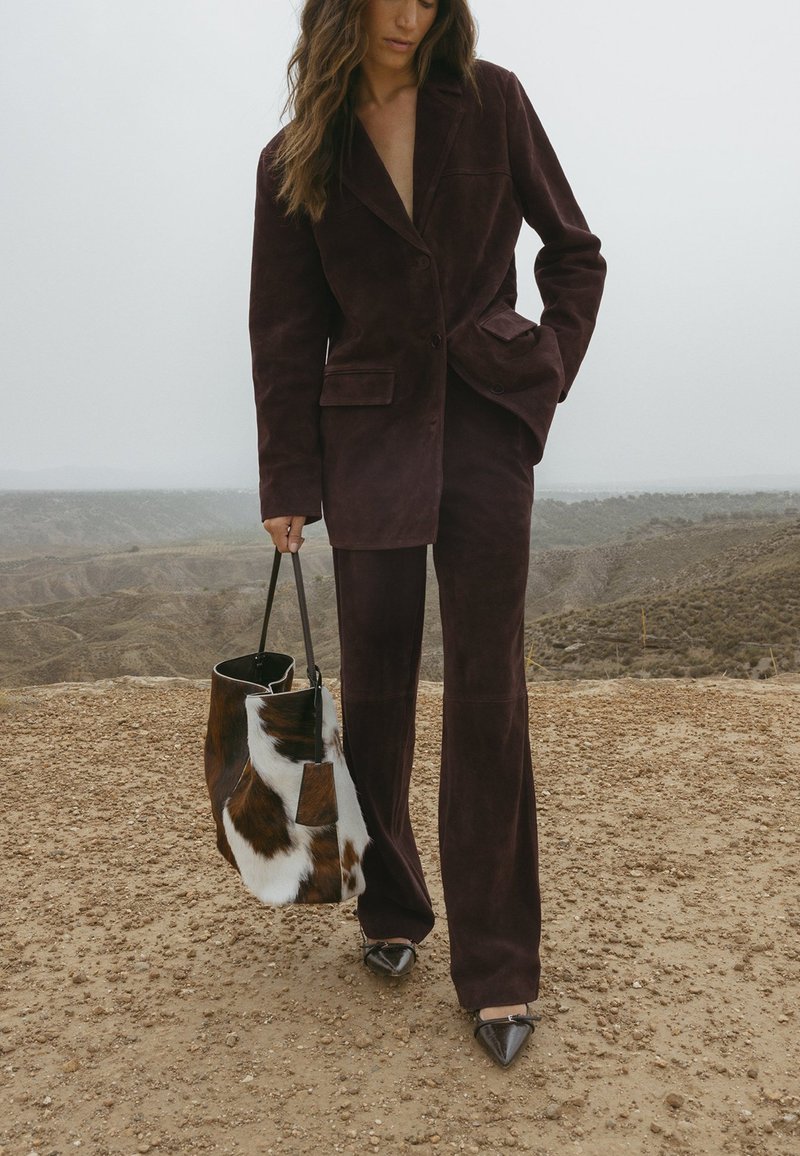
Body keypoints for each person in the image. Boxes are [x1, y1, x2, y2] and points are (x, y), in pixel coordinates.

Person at [249, 0, 606, 1067]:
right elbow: (285, 329)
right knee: (375, 691)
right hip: (366, 440)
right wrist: (286, 480)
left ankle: (497, 965)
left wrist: (541, 371)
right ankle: (392, 907)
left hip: (486, 427)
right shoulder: (295, 154)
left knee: (488, 693)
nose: (409, 15)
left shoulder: (491, 102)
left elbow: (574, 254)